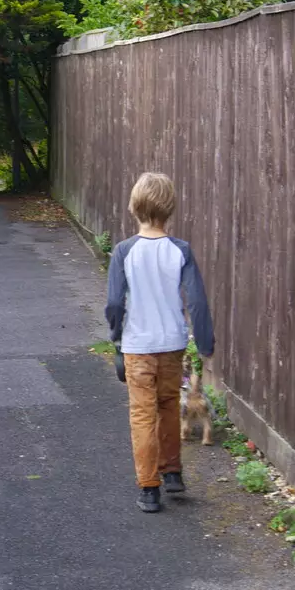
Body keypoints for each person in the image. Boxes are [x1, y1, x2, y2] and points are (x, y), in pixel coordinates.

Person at [105, 171, 214, 513]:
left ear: (134, 207)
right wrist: (205, 342)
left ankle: (149, 487)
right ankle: (172, 473)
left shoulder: (124, 251)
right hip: (172, 342)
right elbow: (196, 300)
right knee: (168, 406)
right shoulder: (180, 250)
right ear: (170, 208)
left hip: (138, 344)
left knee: (142, 414)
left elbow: (113, 302)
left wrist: (115, 335)